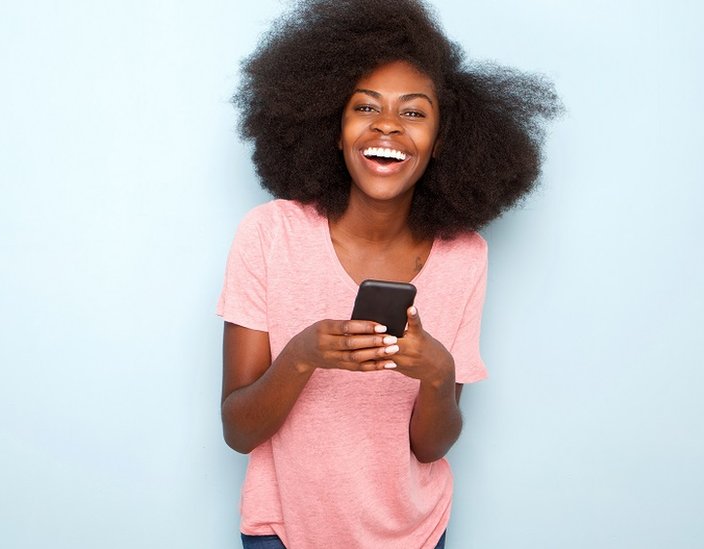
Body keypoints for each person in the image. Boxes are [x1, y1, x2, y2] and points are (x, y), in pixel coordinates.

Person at [216, 1, 561, 548]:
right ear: (334, 127)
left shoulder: (464, 255)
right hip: (284, 532)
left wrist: (437, 372)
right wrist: (305, 354)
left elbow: (431, 447)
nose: (387, 127)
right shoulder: (269, 234)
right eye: (365, 107)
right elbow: (238, 430)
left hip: (417, 535)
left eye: (414, 112)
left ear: (442, 140)